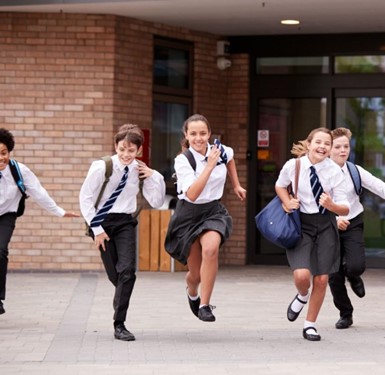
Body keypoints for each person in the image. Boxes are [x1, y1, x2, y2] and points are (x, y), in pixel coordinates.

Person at [80, 124, 166, 341]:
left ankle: (119, 324)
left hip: (125, 223)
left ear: (138, 150)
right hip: (101, 222)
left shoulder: (140, 170)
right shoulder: (101, 167)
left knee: (127, 271)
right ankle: (122, 296)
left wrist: (154, 176)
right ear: (115, 147)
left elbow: (155, 201)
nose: (126, 155)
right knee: (116, 276)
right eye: (122, 149)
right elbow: (86, 199)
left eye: (131, 150)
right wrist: (97, 230)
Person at [328, 127, 385, 329]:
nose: (342, 150)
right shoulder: (319, 172)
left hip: (353, 221)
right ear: (329, 149)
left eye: (346, 146)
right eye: (337, 147)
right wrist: (334, 219)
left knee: (356, 265)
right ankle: (345, 313)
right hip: (328, 225)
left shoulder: (355, 171)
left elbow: (381, 187)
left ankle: (353, 274)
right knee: (333, 274)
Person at [164, 114, 246, 323]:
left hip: (213, 211)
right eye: (193, 134)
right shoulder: (183, 160)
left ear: (209, 133)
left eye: (202, 133)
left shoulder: (221, 150)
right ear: (186, 135)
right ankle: (192, 292)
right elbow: (192, 194)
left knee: (211, 249)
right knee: (196, 275)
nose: (198, 138)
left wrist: (235, 184)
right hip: (188, 214)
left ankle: (205, 305)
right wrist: (209, 166)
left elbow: (230, 160)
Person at [276, 127, 350, 341]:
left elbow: (345, 208)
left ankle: (310, 325)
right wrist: (287, 201)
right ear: (309, 144)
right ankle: (302, 295)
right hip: (302, 224)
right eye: (318, 142)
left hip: (326, 225)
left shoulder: (335, 171)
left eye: (327, 143)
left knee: (321, 278)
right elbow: (280, 186)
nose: (322, 146)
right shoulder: (294, 165)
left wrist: (332, 205)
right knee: (301, 276)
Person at [0, 128, 80, 315]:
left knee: (0, 250)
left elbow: (39, 193)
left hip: (6, 215)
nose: (1, 158)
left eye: (3, 153)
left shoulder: (19, 171)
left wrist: (59, 212)